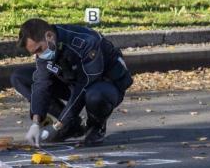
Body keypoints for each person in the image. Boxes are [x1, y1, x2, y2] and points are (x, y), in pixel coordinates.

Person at [12, 18, 133, 148]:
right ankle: (72, 127)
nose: (39, 55)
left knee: (95, 96)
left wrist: (59, 124)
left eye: (39, 49)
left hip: (104, 84)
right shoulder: (47, 47)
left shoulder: (86, 42)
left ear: (49, 36)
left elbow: (84, 86)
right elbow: (41, 84)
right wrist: (36, 122)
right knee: (19, 77)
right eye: (34, 53)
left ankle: (96, 127)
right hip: (73, 82)